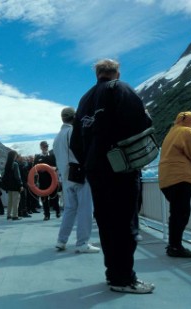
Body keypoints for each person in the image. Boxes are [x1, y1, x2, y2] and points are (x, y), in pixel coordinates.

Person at [70, 59, 155, 294]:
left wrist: (91, 161)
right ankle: (124, 278)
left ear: (97, 74)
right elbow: (142, 122)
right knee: (126, 224)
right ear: (117, 72)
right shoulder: (120, 89)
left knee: (107, 224)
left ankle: (114, 274)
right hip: (121, 169)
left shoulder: (84, 100)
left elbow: (76, 142)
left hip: (96, 172)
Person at [159, 111, 191, 258]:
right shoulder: (187, 131)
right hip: (179, 177)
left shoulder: (172, 132)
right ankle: (175, 247)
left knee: (176, 213)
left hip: (166, 178)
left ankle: (173, 245)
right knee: (181, 213)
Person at [53, 107, 100, 254]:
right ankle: (82, 242)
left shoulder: (57, 137)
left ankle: (61, 240)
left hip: (66, 177)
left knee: (70, 209)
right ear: (74, 117)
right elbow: (81, 151)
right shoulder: (73, 132)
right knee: (85, 209)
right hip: (79, 175)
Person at [34, 141, 60, 220]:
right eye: (44, 146)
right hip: (42, 180)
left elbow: (57, 166)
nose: (46, 148)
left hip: (52, 180)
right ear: (41, 147)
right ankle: (46, 214)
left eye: (47, 146)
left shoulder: (52, 156)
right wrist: (39, 170)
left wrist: (52, 168)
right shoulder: (38, 157)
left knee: (54, 197)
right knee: (44, 198)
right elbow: (34, 168)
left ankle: (57, 211)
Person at [3, 150, 24, 220]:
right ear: (13, 156)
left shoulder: (7, 165)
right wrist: (20, 184)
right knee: (15, 201)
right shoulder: (15, 164)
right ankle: (15, 215)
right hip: (15, 185)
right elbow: (17, 176)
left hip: (9, 186)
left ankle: (8, 215)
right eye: (15, 155)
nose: (16, 157)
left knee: (10, 201)